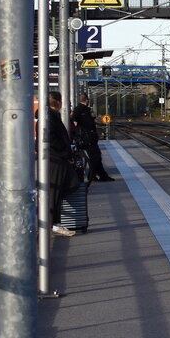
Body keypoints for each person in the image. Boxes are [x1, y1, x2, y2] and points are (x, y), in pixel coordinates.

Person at [41, 91, 78, 237]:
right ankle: (52, 224)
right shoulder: (49, 117)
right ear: (58, 101)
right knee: (53, 192)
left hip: (57, 159)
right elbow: (49, 137)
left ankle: (54, 222)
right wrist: (63, 151)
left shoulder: (51, 116)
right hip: (55, 159)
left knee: (60, 189)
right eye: (62, 101)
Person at [71, 92, 114, 182]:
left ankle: (100, 175)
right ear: (87, 101)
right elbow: (75, 122)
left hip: (88, 137)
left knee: (96, 156)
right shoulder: (80, 110)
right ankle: (94, 176)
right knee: (95, 157)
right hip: (87, 138)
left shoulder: (81, 109)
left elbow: (74, 122)